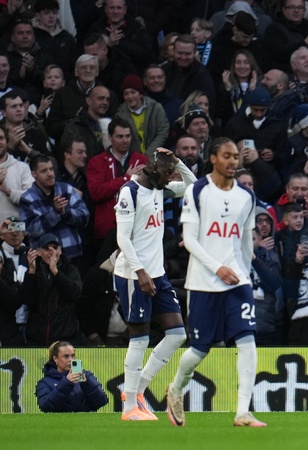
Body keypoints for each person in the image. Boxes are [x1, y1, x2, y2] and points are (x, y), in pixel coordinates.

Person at [166, 137, 266, 428]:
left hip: (236, 282)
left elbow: (245, 240)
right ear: (213, 158)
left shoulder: (246, 196)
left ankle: (242, 411)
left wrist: (244, 272)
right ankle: (176, 388)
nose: (233, 161)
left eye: (236, 156)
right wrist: (217, 268)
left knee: (247, 340)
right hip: (203, 282)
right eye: (227, 156)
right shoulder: (197, 191)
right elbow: (190, 241)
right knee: (199, 349)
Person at [114, 148, 195, 421]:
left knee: (177, 334)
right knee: (140, 338)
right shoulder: (130, 192)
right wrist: (140, 272)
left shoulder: (161, 189)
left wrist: (178, 162)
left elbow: (194, 187)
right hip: (132, 274)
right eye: (166, 172)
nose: (170, 178)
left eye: (172, 173)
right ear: (151, 168)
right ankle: (129, 409)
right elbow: (122, 239)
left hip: (157, 274)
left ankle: (137, 390)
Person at [22, 233, 84, 346]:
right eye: (47, 249)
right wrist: (31, 272)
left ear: (60, 251)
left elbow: (74, 294)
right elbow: (26, 299)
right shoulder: (33, 271)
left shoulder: (70, 269)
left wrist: (56, 272)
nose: (51, 252)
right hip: (37, 339)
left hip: (65, 338)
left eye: (55, 248)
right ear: (38, 252)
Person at [36, 340, 108, 413]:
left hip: (86, 420)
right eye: (66, 356)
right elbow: (46, 407)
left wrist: (87, 383)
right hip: (60, 420)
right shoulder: (45, 382)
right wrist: (66, 383)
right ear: (55, 359)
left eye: (73, 356)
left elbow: (102, 401)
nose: (71, 360)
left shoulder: (86, 376)